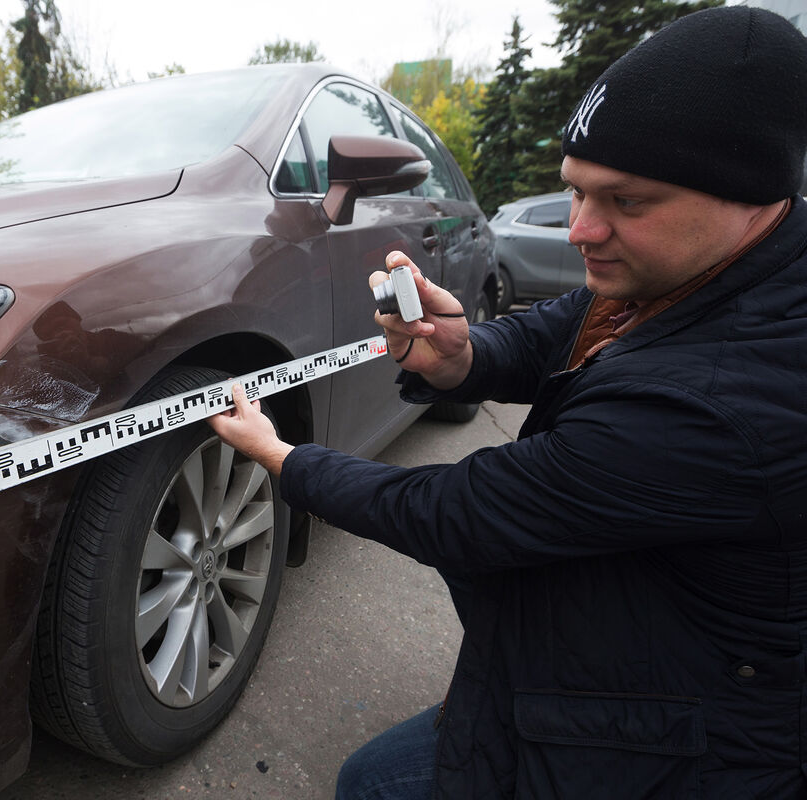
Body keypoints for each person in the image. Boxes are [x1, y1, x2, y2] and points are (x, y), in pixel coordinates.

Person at [207, 6, 807, 798]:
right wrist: (463, 356)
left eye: (626, 202)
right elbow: (556, 333)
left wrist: (281, 459)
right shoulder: (705, 273)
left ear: (751, 191)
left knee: (373, 785)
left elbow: (456, 511)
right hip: (640, 631)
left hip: (685, 733)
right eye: (576, 192)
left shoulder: (724, 404)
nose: (580, 231)